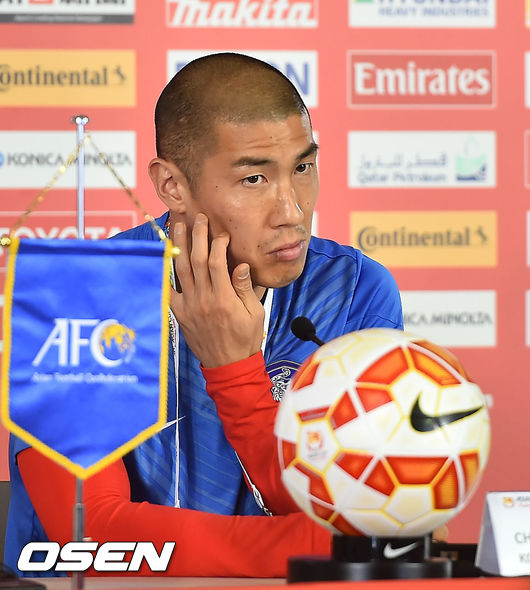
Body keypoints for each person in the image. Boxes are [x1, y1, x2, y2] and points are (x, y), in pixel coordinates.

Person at [5, 53, 404, 577]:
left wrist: (235, 370)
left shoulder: (354, 291)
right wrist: (323, 544)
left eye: (303, 168)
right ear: (173, 186)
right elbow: (89, 535)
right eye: (254, 179)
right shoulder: (76, 297)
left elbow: (360, 502)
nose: (292, 211)